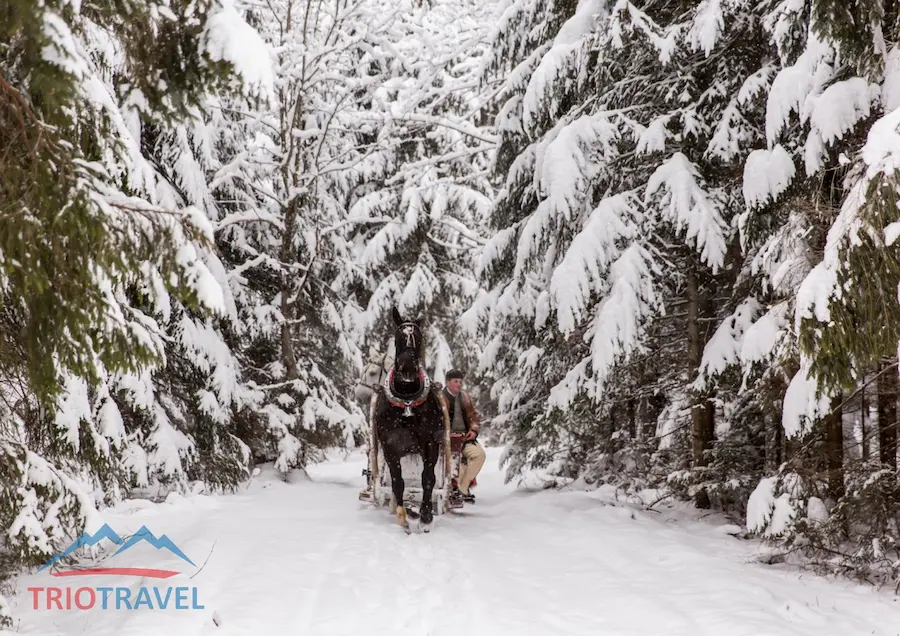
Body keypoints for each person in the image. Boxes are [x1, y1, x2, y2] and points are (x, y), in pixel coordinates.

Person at [442, 369, 485, 503]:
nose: (459, 384)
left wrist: (473, 430)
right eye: (455, 381)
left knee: (479, 455)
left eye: (460, 382)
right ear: (447, 382)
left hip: (464, 438)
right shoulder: (439, 398)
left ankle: (461, 489)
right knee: (458, 462)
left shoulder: (465, 397)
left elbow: (474, 417)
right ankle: (456, 490)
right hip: (446, 441)